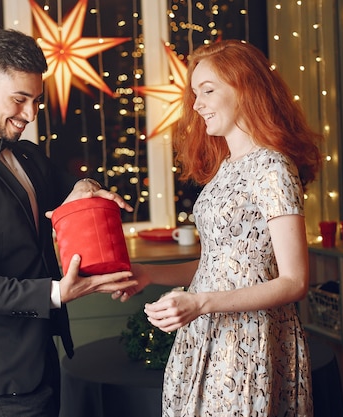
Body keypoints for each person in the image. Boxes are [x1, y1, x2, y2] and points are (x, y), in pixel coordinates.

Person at [0, 28, 136, 417]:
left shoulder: (29, 156)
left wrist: (88, 186)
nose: (30, 115)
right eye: (19, 100)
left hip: (42, 360)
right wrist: (55, 293)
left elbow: (73, 192)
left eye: (36, 101)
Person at [114, 40, 322, 416]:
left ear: (247, 90)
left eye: (208, 91)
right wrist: (149, 273)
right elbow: (223, 264)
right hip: (206, 331)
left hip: (250, 337)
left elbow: (294, 281)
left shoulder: (272, 168)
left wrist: (199, 303)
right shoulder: (225, 168)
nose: (197, 105)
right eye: (195, 93)